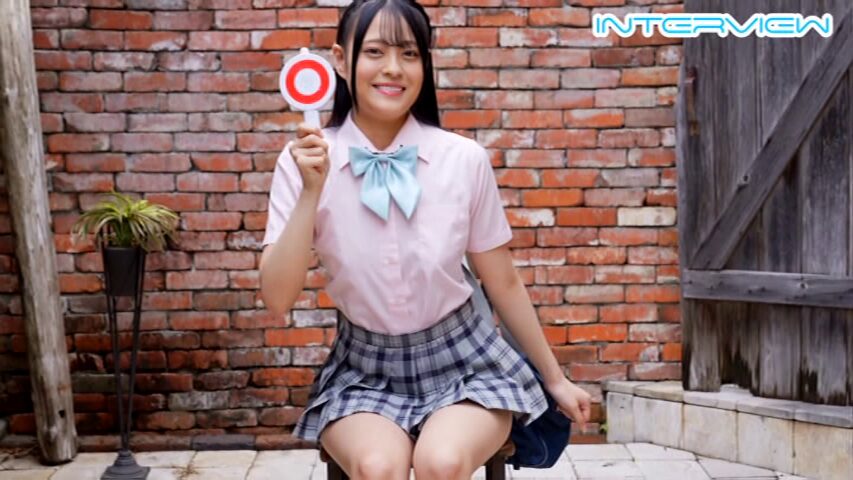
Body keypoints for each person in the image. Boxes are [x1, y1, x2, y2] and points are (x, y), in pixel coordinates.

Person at [259, 1, 591, 478]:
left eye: (409, 54)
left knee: (442, 462)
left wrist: (555, 379)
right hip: (364, 368)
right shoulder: (304, 161)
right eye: (375, 52)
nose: (393, 68)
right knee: (378, 467)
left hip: (467, 361)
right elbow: (277, 298)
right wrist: (311, 190)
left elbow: (503, 282)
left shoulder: (463, 159)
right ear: (340, 60)